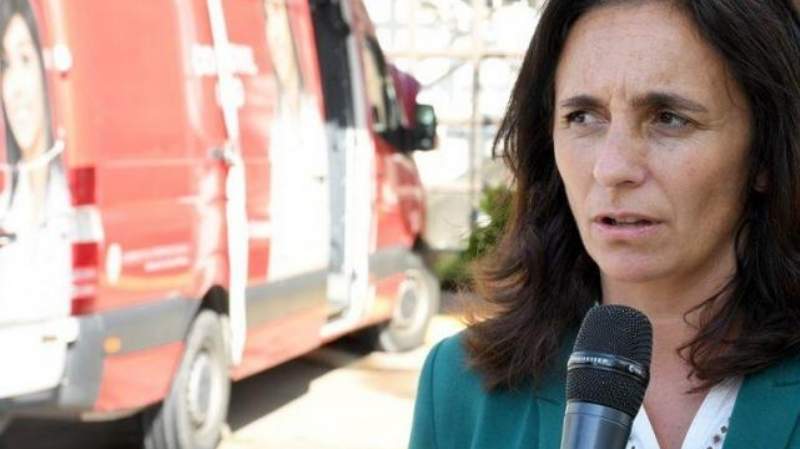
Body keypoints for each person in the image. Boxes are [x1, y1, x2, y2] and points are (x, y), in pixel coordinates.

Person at [409, 1, 800, 449]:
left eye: (669, 118)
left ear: (766, 152)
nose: (611, 168)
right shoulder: (461, 387)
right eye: (583, 117)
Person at [0, 0, 71, 322]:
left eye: (26, 60)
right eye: (4, 65)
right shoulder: (7, 210)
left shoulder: (68, 204)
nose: (15, 88)